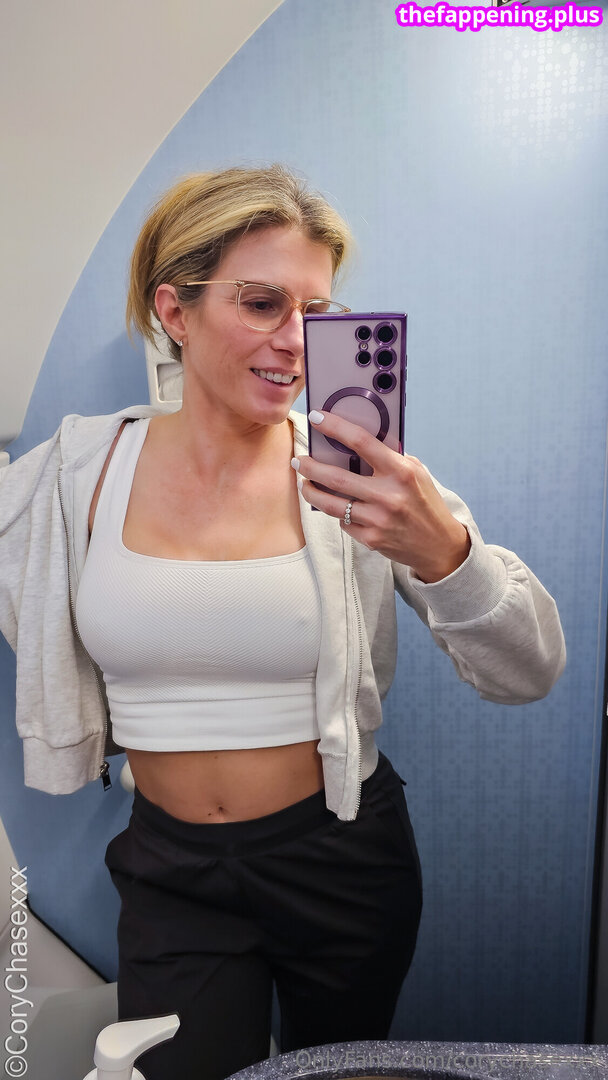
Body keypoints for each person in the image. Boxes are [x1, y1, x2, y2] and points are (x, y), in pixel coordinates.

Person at [0, 164, 566, 1080]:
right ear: (175, 312)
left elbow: (530, 669)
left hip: (340, 858)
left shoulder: (359, 475)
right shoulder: (79, 472)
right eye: (262, 303)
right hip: (171, 873)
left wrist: (445, 551)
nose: (297, 341)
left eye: (319, 311)